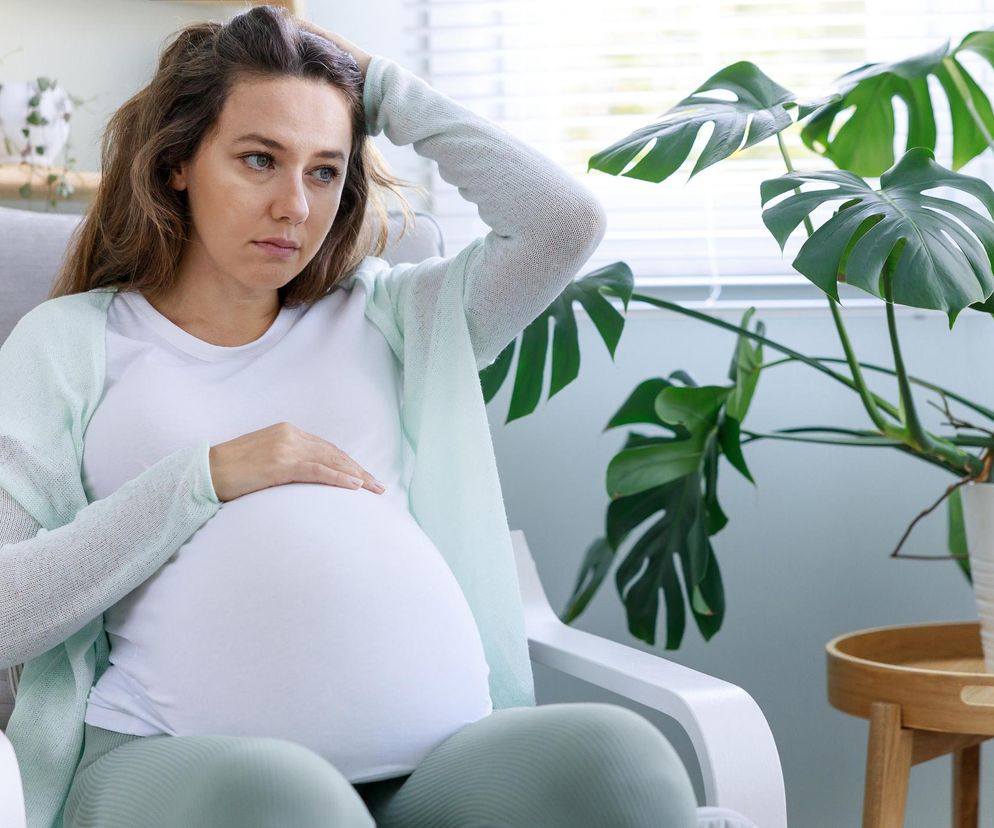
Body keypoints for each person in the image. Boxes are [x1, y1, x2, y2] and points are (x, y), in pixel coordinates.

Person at [0, 5, 699, 827]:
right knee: (288, 804)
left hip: (442, 763)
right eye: (259, 159)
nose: (294, 205)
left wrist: (388, 89)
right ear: (179, 162)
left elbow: (565, 223)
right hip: (176, 761)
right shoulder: (74, 341)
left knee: (616, 759)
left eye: (325, 169)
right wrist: (205, 478)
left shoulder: (392, 315)